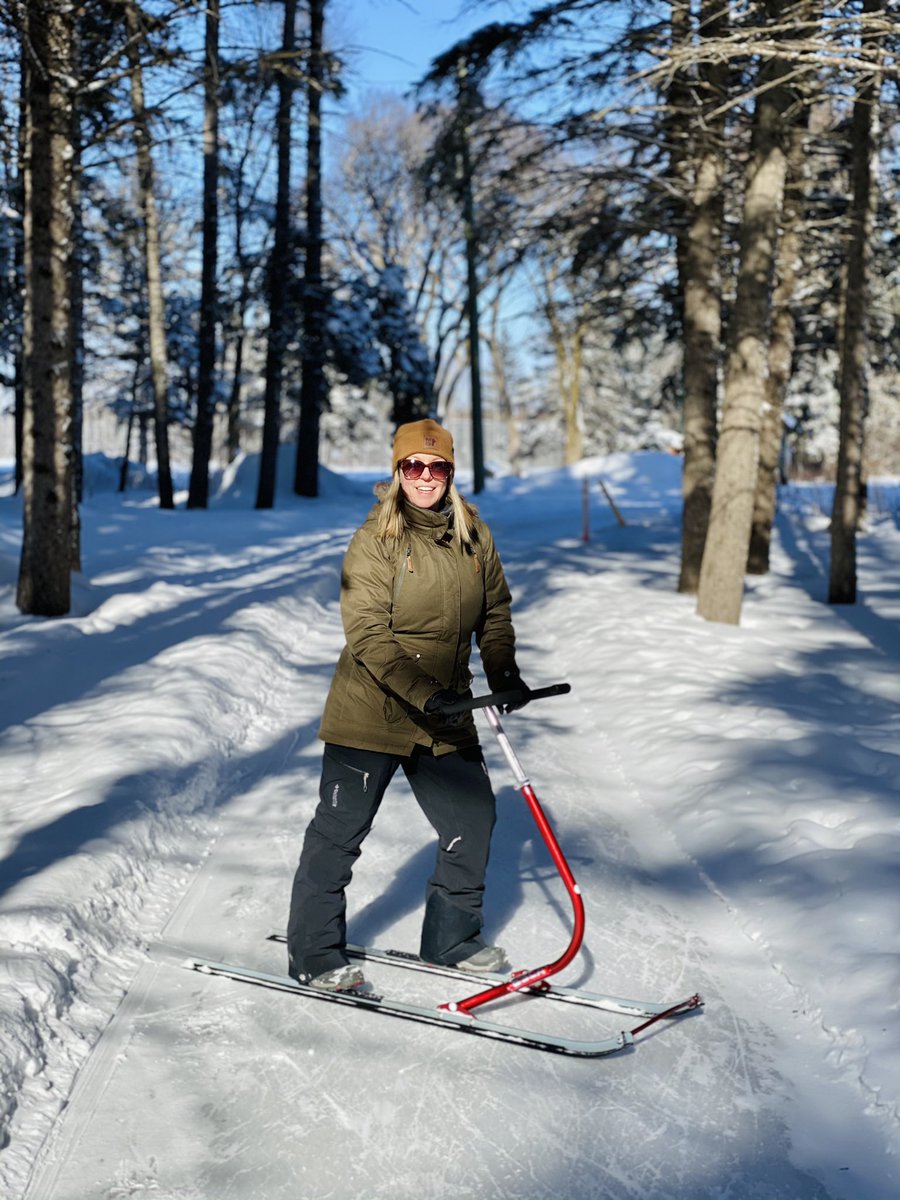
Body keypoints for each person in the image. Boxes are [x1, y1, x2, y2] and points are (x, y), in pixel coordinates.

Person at [286, 418, 528, 992]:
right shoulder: (376, 540)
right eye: (413, 467)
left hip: (446, 713)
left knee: (474, 820)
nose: (425, 476)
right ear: (397, 472)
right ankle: (314, 953)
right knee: (339, 833)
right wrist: (426, 694)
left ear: (450, 473)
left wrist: (504, 670)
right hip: (372, 710)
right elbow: (368, 634)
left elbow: (494, 613)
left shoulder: (475, 536)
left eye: (436, 466)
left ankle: (451, 939)